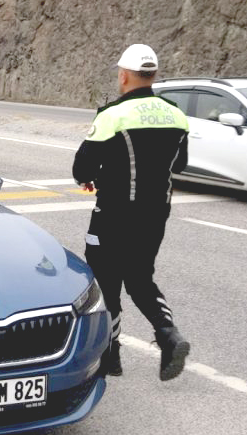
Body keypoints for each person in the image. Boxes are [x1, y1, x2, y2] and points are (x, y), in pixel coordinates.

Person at [72, 43, 191, 381]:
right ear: (153, 74)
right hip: (156, 214)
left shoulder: (113, 115)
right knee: (140, 278)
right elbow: (180, 163)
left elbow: (82, 166)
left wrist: (91, 177)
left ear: (124, 76)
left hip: (113, 213)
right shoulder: (176, 114)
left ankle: (111, 356)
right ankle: (169, 335)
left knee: (106, 280)